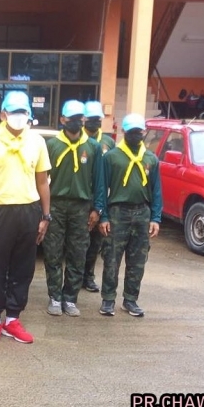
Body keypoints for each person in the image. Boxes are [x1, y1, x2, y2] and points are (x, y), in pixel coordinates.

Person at [0, 91, 51, 344]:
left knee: (23, 268)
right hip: (0, 210)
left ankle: (12, 319)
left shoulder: (37, 141)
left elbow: (43, 181)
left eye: (23, 112)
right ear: (3, 114)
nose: (19, 117)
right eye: (14, 112)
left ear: (29, 114)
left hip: (29, 210)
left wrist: (46, 215)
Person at [43, 100, 105, 317]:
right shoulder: (51, 145)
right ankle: (54, 296)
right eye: (72, 119)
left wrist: (97, 209)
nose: (77, 123)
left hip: (81, 207)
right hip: (56, 205)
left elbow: (99, 180)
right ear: (62, 120)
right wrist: (42, 209)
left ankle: (70, 298)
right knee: (53, 252)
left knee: (78, 253)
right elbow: (41, 179)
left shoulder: (93, 147)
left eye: (80, 119)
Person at [98, 113, 162, 318]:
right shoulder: (111, 157)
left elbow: (156, 191)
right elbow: (102, 188)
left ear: (144, 132)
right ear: (124, 132)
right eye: (132, 132)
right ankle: (108, 299)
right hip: (118, 212)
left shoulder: (150, 158)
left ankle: (130, 300)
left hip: (142, 212)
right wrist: (103, 216)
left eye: (139, 132)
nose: (136, 135)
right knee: (112, 258)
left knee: (138, 260)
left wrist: (155, 218)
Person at [82, 101, 116, 293]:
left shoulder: (108, 142)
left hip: (100, 197)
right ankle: (75, 277)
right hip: (81, 197)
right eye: (91, 119)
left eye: (97, 119)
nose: (94, 122)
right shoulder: (79, 140)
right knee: (78, 242)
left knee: (95, 242)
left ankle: (88, 277)